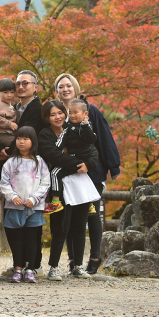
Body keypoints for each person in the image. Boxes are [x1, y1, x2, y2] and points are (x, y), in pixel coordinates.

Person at [55, 73, 122, 274]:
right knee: (69, 216)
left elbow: (104, 137)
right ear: (56, 91)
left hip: (92, 170)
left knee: (92, 214)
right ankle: (74, 261)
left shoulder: (90, 111)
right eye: (61, 86)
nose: (65, 89)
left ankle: (95, 256)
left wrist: (113, 166)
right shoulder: (57, 113)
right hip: (69, 171)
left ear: (75, 87)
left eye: (68, 85)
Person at [38, 100, 96, 281]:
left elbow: (92, 150)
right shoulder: (45, 134)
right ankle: (54, 267)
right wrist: (79, 164)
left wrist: (88, 164)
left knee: (79, 226)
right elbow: (54, 155)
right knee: (61, 227)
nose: (58, 117)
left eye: (60, 113)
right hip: (60, 184)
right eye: (52, 114)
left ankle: (77, 265)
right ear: (47, 117)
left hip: (80, 183)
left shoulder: (78, 128)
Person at [0, 127, 50, 283]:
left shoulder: (39, 162)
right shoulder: (11, 162)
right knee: (17, 239)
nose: (21, 142)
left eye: (25, 139)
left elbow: (45, 183)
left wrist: (34, 199)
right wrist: (13, 196)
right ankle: (17, 268)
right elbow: (4, 183)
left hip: (34, 207)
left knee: (32, 239)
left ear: (33, 141)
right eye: (19, 138)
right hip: (15, 206)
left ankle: (30, 269)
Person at [46, 99, 99, 214]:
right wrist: (56, 149)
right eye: (70, 112)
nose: (72, 115)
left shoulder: (86, 127)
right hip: (76, 159)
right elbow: (61, 142)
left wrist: (85, 126)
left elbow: (91, 139)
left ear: (85, 114)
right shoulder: (69, 128)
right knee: (82, 179)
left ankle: (55, 202)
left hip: (80, 160)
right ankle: (90, 204)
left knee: (55, 173)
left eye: (76, 112)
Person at [0, 77, 18, 158]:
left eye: (12, 92)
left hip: (9, 134)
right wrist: (9, 124)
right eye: (6, 92)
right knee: (17, 145)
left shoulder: (10, 106)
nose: (9, 95)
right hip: (3, 135)